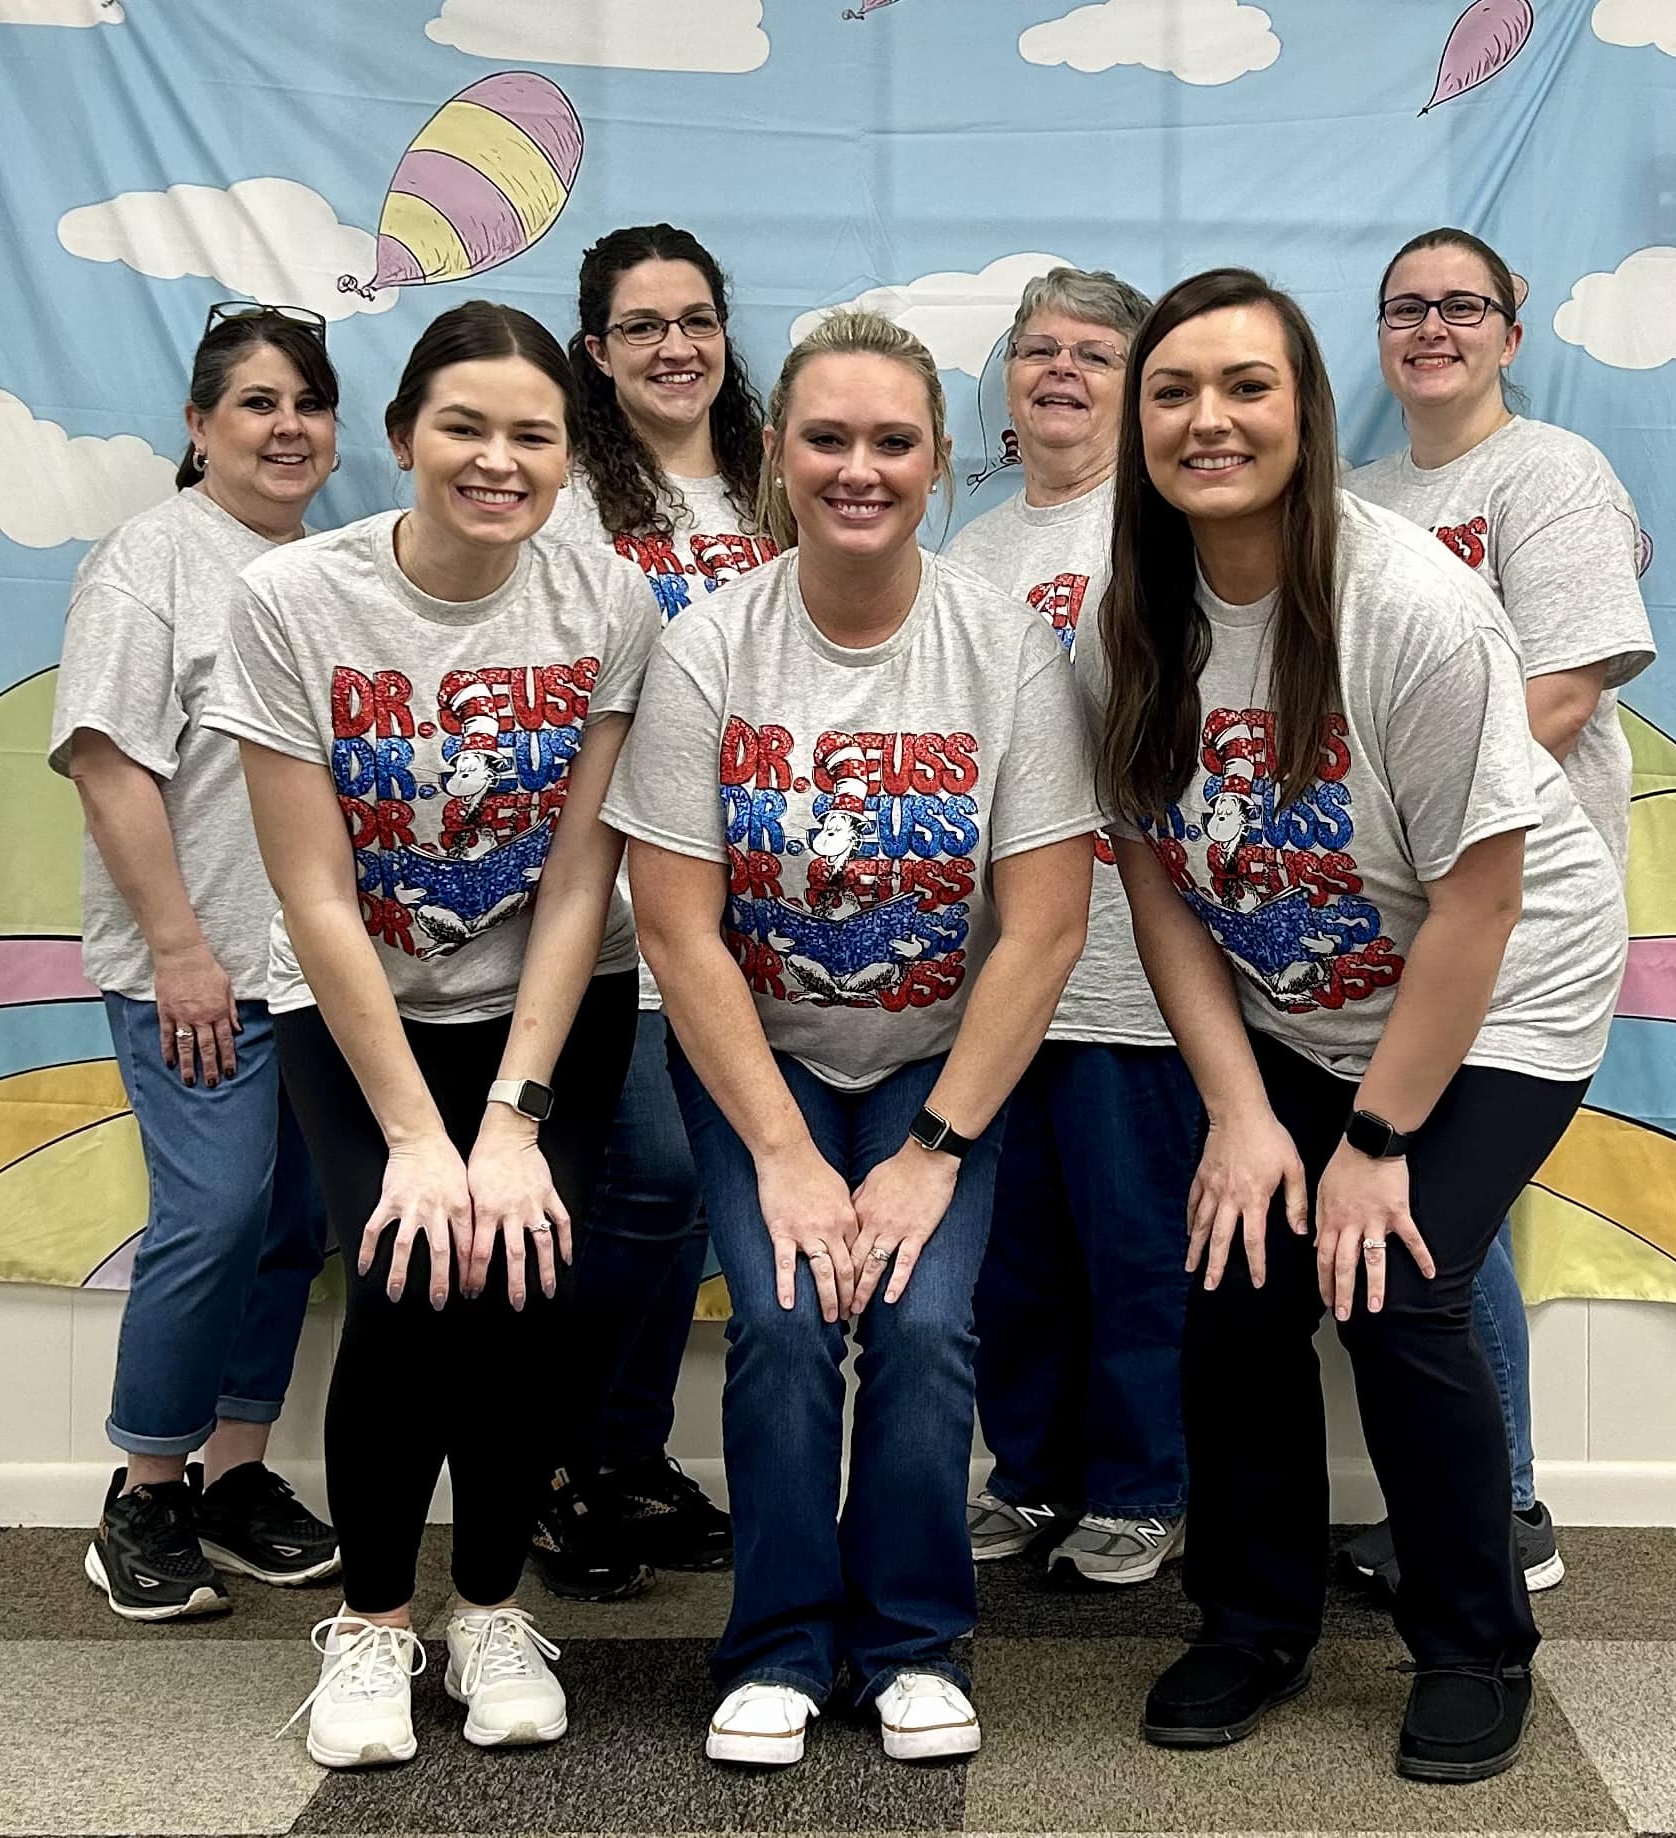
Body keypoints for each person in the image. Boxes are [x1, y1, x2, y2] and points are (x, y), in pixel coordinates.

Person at [1080, 270, 1627, 1782]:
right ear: (1139, 427)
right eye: (1176, 390)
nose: (1210, 419)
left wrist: (1375, 1142)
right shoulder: (1126, 628)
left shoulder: (1413, 610)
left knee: (1401, 1282)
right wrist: (1249, 1118)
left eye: (1248, 386)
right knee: (1238, 1272)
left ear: (1304, 413)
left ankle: (1472, 1641)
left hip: (1505, 993)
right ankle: (1252, 1622)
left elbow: (1480, 909)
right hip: (1302, 1008)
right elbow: (1160, 884)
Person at [603, 309, 1100, 1767]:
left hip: (941, 1066)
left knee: (927, 1317)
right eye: (829, 438)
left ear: (940, 462)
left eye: (894, 441)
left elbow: (1048, 926)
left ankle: (911, 1641)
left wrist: (935, 1148)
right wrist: (780, 1154)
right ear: (777, 457)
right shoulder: (709, 646)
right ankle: (777, 1643)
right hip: (758, 1062)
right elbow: (678, 927)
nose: (861, 468)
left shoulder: (1003, 649)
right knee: (779, 1314)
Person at [203, 302, 656, 1769]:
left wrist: (510, 1119)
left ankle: (491, 1604)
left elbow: (586, 873)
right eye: (464, 424)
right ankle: (376, 1620)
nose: (498, 458)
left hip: (554, 1002)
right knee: (406, 1275)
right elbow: (314, 891)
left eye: (533, 433)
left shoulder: (611, 608)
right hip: (359, 1008)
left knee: (524, 1280)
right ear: (403, 437)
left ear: (570, 455)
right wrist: (416, 1133)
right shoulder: (292, 602)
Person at [1345, 227, 1656, 1596]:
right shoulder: (1351, 499)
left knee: (1434, 1230)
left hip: (1523, 924)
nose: (1434, 327)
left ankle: (1504, 1506)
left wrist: (1399, 805)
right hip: (1384, 938)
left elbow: (1567, 688)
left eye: (1462, 306)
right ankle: (1476, 1495)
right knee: (1431, 1229)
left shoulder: (1551, 475)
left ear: (1510, 336)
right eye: (1407, 306)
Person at [50, 301, 341, 1622]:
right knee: (213, 1216)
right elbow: (110, 766)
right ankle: (146, 1494)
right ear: (199, 424)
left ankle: (235, 1476)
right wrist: (178, 948)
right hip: (195, 965)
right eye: (258, 403)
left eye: (307, 405)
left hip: (311, 970)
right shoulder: (150, 562)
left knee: (288, 1227)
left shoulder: (332, 568)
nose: (288, 429)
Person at [528, 223, 775, 1592]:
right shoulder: (566, 493)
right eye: (642, 326)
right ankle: (563, 1461)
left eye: (697, 318)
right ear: (596, 350)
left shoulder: (769, 483)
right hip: (616, 910)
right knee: (652, 1179)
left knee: (689, 1203)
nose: (676, 346)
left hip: (759, 911)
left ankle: (623, 1455)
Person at [946, 266, 1200, 1585]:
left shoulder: (1168, 532)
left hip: (1133, 973)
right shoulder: (969, 552)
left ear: (1138, 379)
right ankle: (1030, 1475)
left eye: (1093, 352)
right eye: (1038, 349)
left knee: (1136, 1255)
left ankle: (1142, 1485)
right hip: (999, 979)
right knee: (1015, 1262)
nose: (1060, 370)